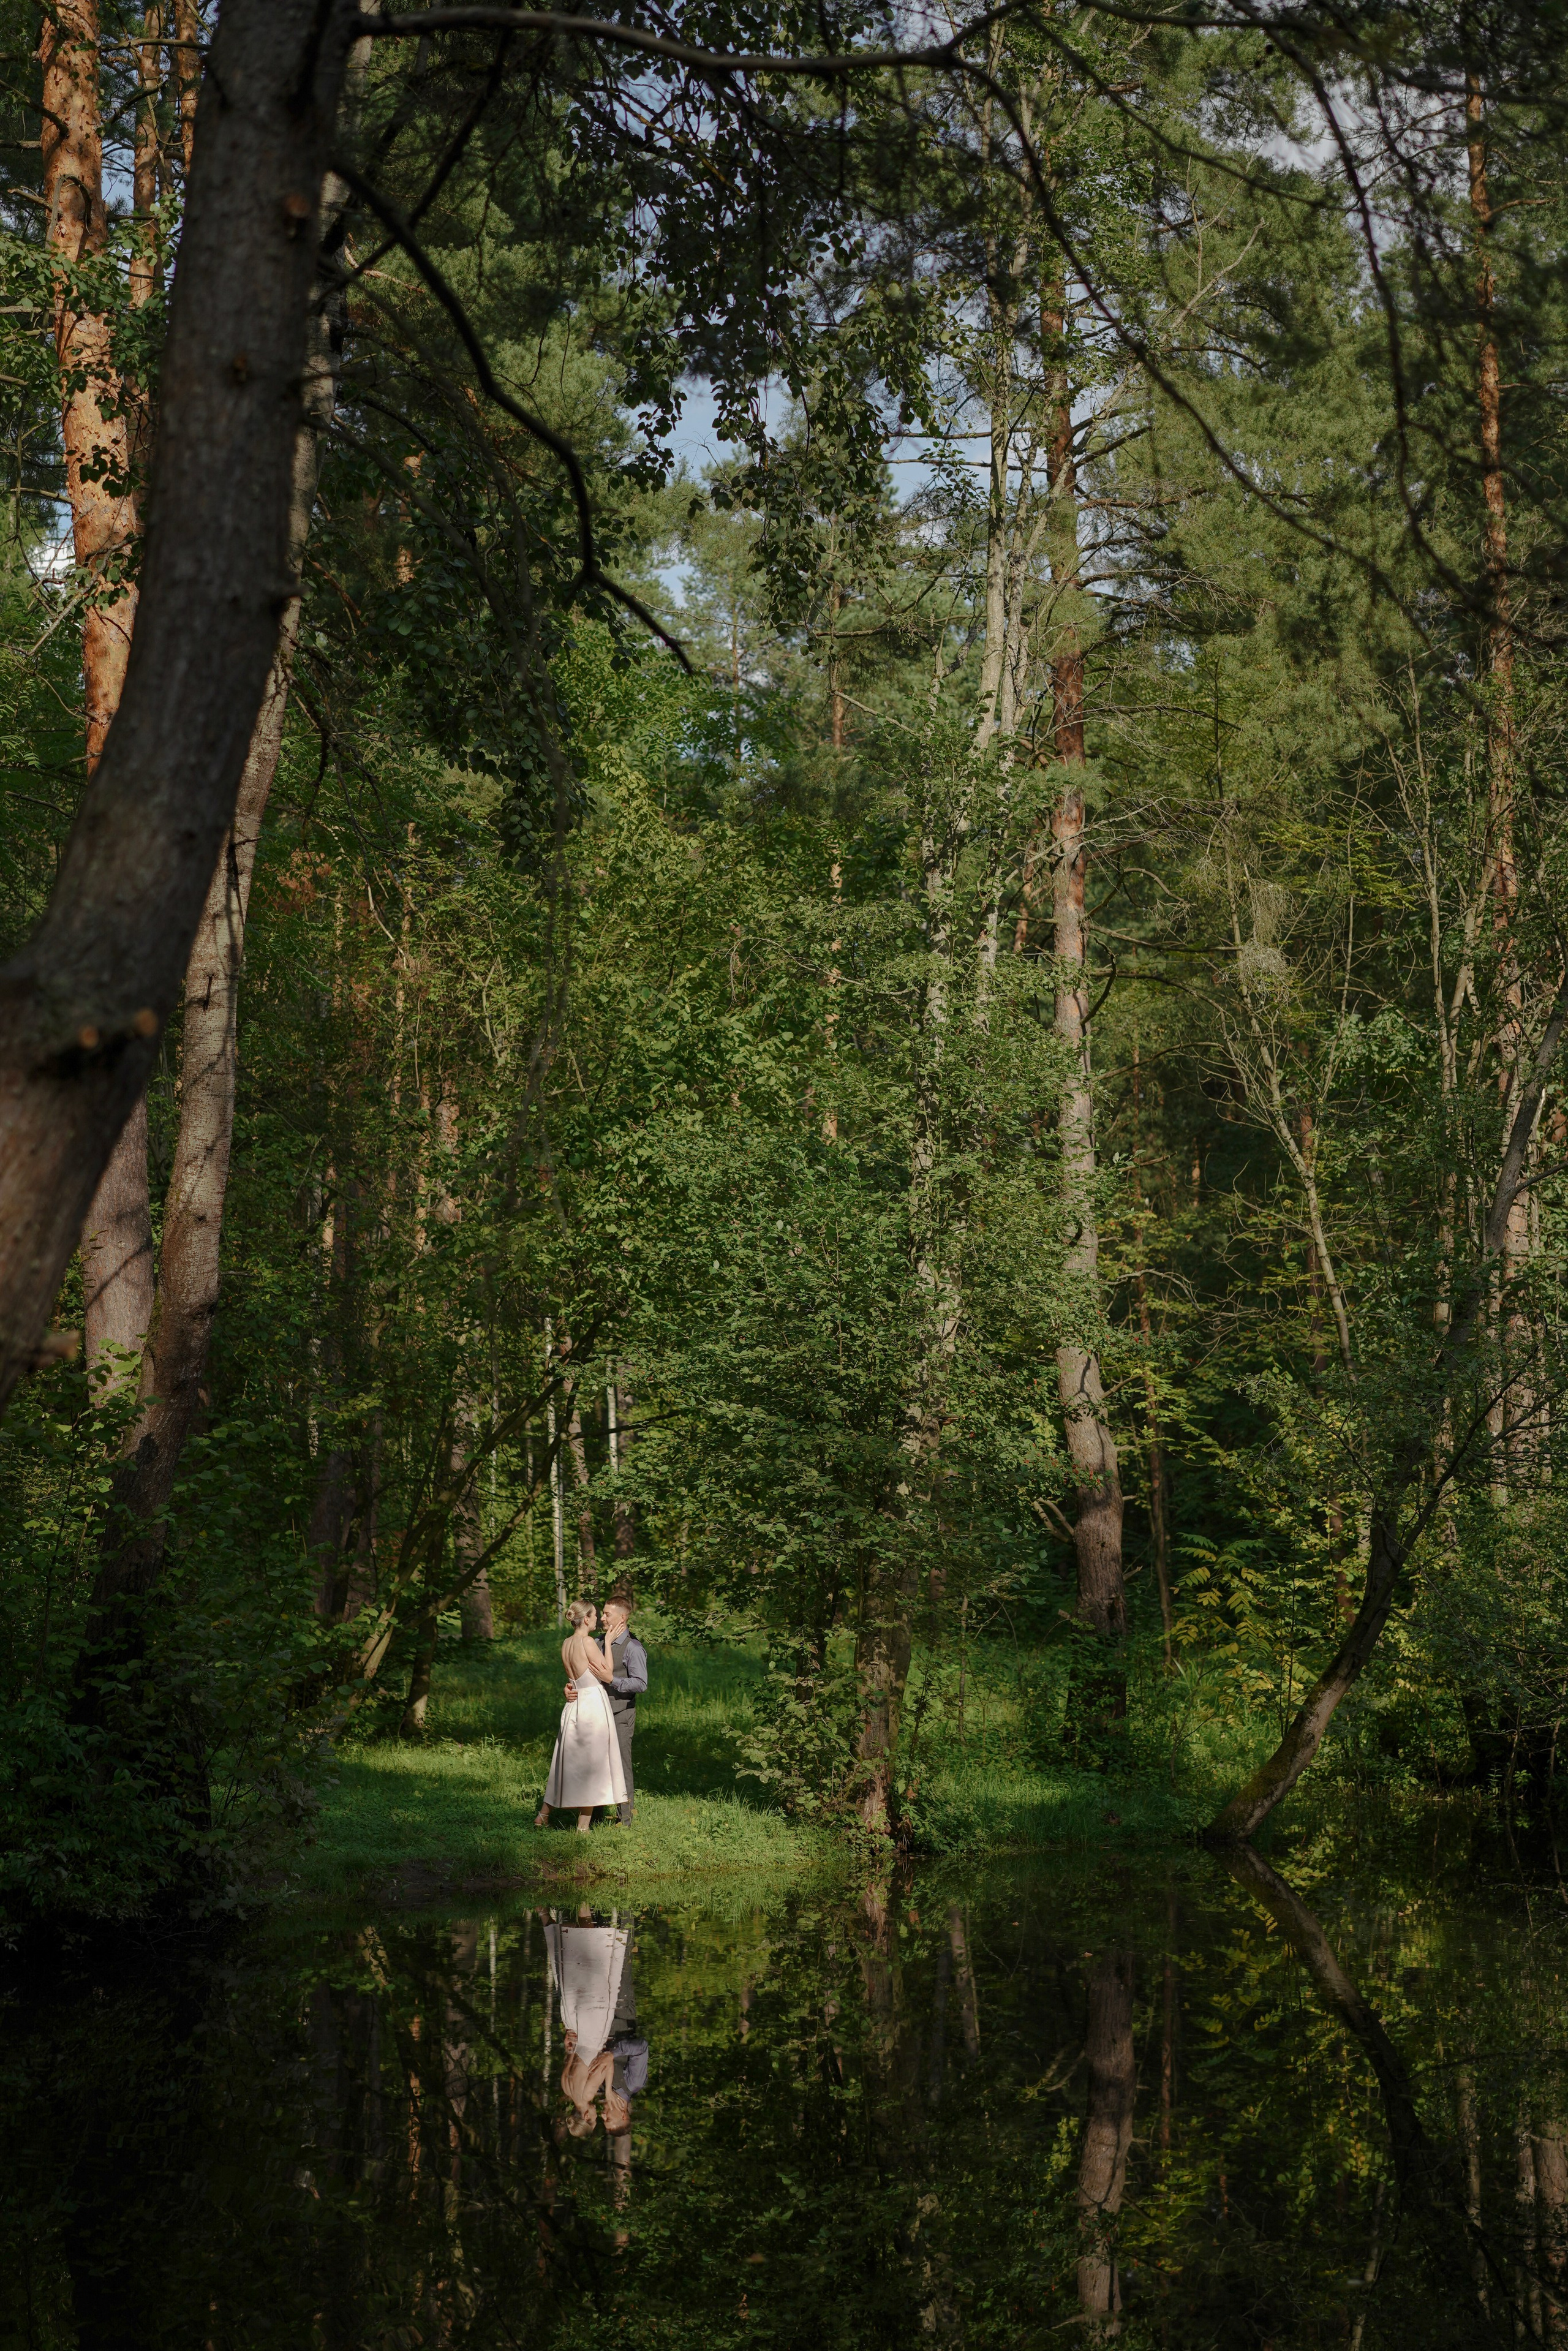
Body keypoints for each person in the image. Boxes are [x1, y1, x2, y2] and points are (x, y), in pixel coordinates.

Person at [535, 1601, 627, 1833]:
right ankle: (583, 1827)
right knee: (593, 1762)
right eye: (595, 1615)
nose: (598, 1618)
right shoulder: (587, 1642)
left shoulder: (566, 1643)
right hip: (592, 1704)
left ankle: (543, 1815)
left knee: (565, 1760)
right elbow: (606, 1673)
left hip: (574, 1704)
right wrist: (607, 1642)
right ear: (586, 1619)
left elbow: (575, 1676)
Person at [600, 1582, 647, 1824]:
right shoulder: (597, 1642)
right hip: (596, 1712)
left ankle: (625, 1819)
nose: (602, 1618)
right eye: (602, 1613)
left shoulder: (634, 1648)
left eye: (607, 1614)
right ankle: (594, 1816)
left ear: (622, 1618)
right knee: (597, 1763)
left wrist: (613, 1680)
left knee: (621, 1764)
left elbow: (641, 1683)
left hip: (621, 1713)